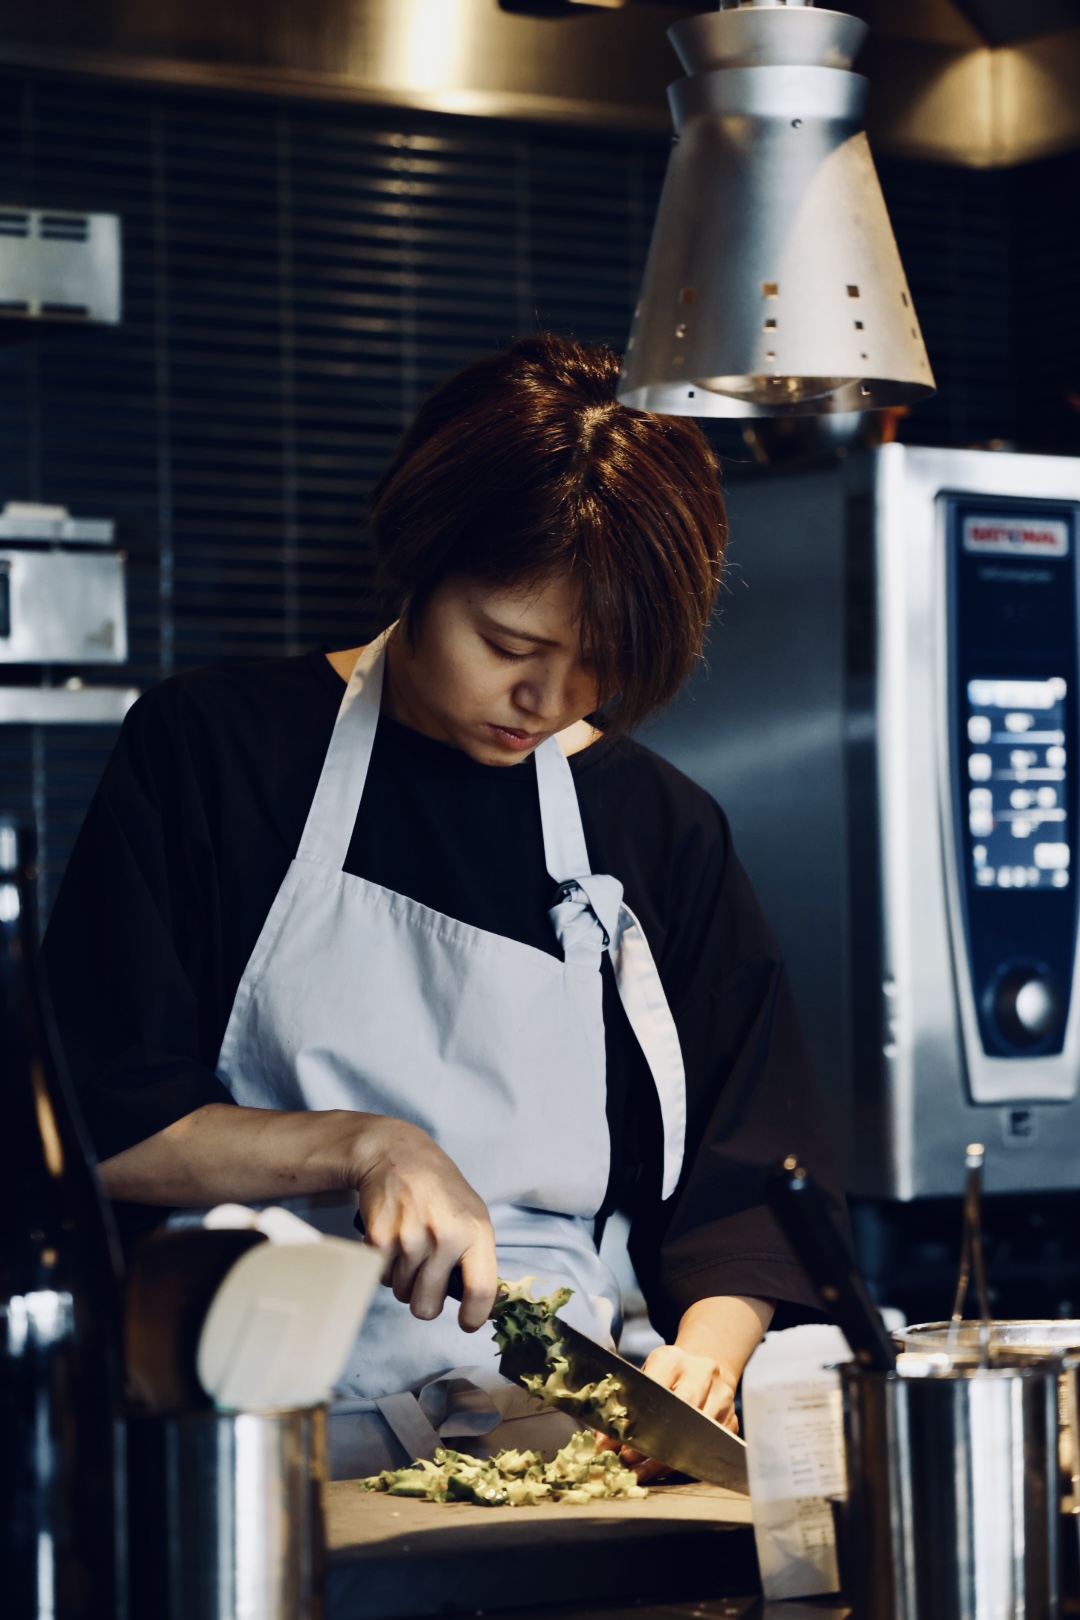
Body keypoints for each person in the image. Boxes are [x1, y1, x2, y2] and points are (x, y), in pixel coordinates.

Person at [43, 334, 844, 1479]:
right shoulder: (213, 753)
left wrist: (704, 1365)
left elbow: (749, 1183)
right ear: (423, 555)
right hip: (254, 1450)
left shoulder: (656, 829)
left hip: (561, 1443)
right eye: (510, 644)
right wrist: (365, 1146)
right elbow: (99, 1131)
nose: (548, 699)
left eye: (598, 665)